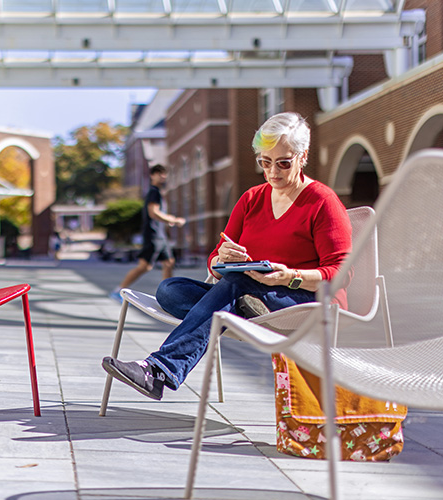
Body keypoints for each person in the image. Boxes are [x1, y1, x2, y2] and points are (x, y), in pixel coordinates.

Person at [102, 112, 406, 460]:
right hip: (252, 290)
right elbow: (217, 256)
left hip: (306, 299)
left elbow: (341, 271)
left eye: (283, 163)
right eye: (265, 163)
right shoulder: (252, 199)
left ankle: (160, 370)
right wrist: (220, 260)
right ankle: (245, 308)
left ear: (303, 157)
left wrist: (287, 275)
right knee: (171, 290)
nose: (273, 172)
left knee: (236, 285)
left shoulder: (322, 201)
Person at [109, 164, 186, 302]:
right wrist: (173, 220)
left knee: (169, 262)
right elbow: (153, 212)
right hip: (153, 235)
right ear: (152, 176)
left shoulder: (159, 193)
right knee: (145, 266)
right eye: (159, 173)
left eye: (164, 173)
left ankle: (167, 295)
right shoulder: (154, 192)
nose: (162, 176)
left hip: (160, 235)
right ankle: (118, 291)